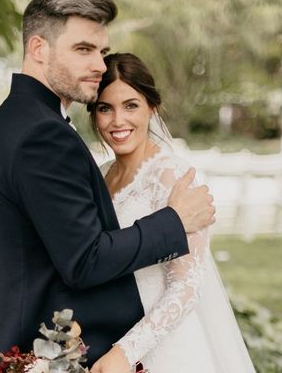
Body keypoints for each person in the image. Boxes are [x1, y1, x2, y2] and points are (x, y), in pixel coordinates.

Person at [0, 0, 216, 372]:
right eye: (83, 50)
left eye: (101, 51)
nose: (99, 65)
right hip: (44, 354)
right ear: (38, 49)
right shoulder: (43, 134)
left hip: (16, 349)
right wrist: (175, 222)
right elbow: (85, 260)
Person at [88, 53, 255, 373]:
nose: (117, 120)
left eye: (131, 105)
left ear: (152, 107)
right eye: (105, 108)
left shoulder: (173, 176)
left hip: (164, 346)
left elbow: (187, 285)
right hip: (110, 336)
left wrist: (127, 351)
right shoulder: (100, 175)